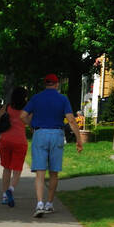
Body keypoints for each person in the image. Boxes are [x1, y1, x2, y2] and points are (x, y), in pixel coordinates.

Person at [21, 74, 83, 217]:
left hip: (40, 134)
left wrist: (32, 125)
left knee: (40, 172)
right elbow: (71, 120)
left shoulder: (36, 98)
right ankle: (49, 203)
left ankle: (39, 204)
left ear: (45, 84)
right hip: (57, 134)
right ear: (56, 84)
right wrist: (79, 139)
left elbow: (22, 116)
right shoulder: (63, 99)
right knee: (54, 171)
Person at [0, 87, 29, 208]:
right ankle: (11, 189)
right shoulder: (27, 109)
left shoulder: (7, 107)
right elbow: (29, 122)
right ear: (24, 97)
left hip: (5, 140)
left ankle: (4, 196)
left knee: (6, 168)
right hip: (20, 141)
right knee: (17, 170)